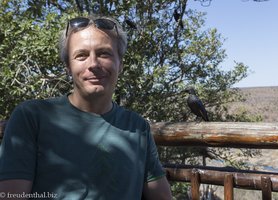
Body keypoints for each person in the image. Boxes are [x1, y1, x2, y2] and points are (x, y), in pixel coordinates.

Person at [0, 15, 172, 200]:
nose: (93, 64)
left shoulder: (138, 127)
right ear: (68, 66)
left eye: (104, 53)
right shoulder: (32, 117)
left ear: (120, 64)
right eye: (81, 55)